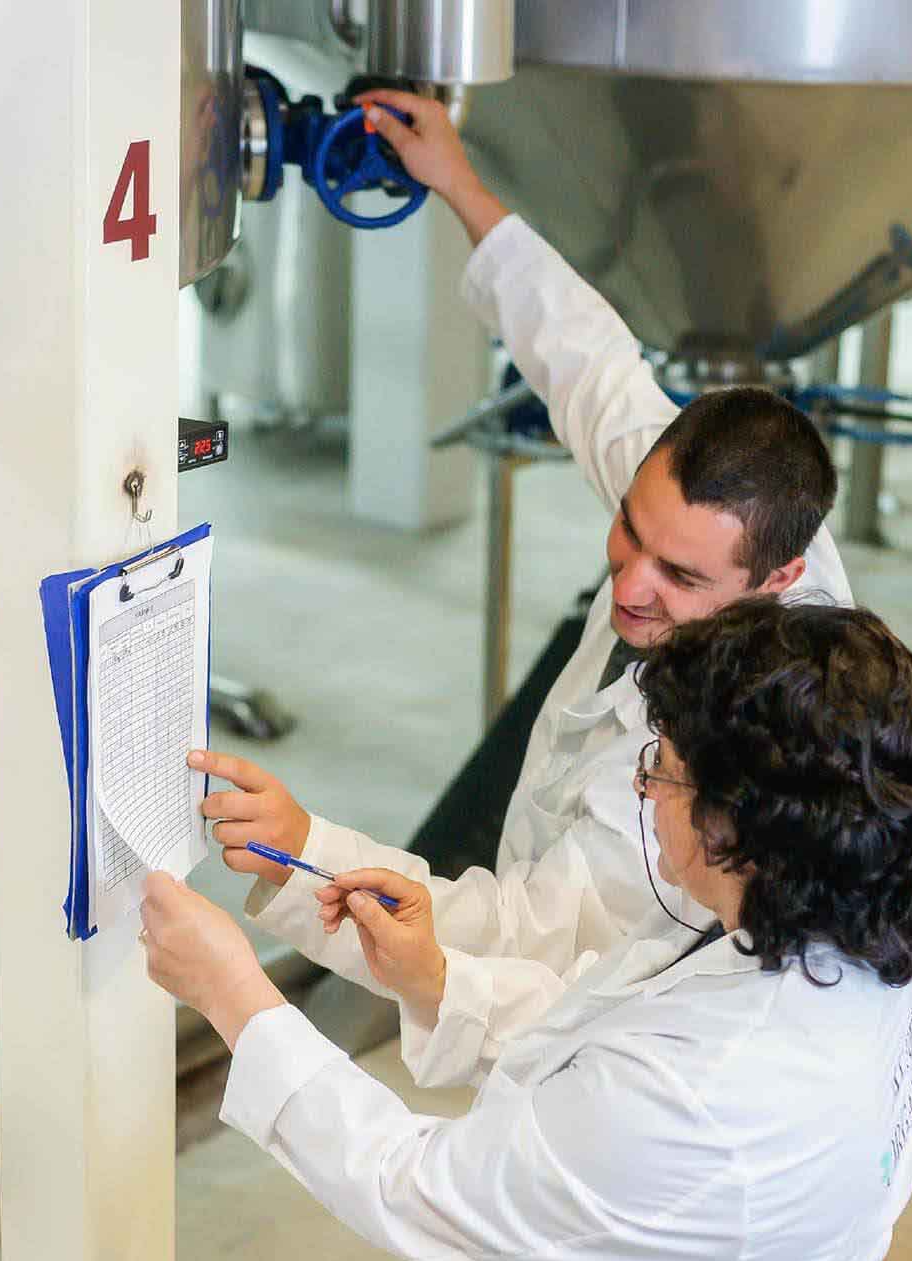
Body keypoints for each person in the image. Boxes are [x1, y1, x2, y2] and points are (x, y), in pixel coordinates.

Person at [187, 88, 851, 1085]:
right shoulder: (701, 503)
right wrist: (457, 183)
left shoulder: (722, 783)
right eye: (626, 534)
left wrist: (305, 854)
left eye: (676, 577)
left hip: (622, 1051)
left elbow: (530, 953)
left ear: (780, 577)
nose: (629, 587)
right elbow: (587, 362)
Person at [143, 599, 912, 1261]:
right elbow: (609, 1030)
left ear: (738, 826)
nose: (645, 791)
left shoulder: (711, 1094)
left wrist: (234, 993)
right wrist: (436, 978)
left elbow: (418, 1188)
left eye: (663, 770)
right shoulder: (849, 928)